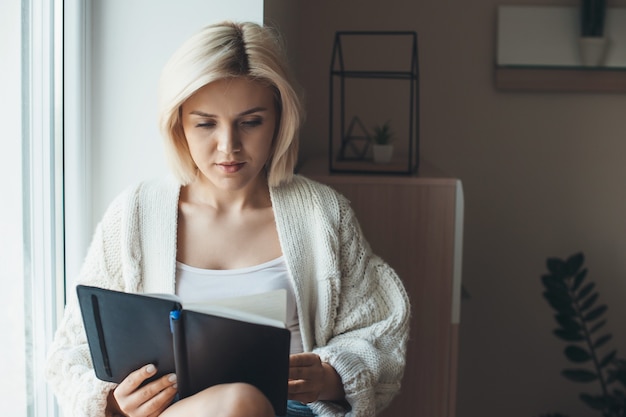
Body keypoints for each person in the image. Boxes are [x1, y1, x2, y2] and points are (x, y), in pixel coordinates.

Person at [45, 21, 410, 417]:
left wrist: (332, 374)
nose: (229, 146)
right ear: (178, 125)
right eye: (205, 124)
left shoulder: (323, 215)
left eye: (251, 122)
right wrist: (114, 403)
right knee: (236, 403)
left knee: (241, 403)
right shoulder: (134, 214)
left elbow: (379, 335)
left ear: (279, 120)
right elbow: (71, 353)